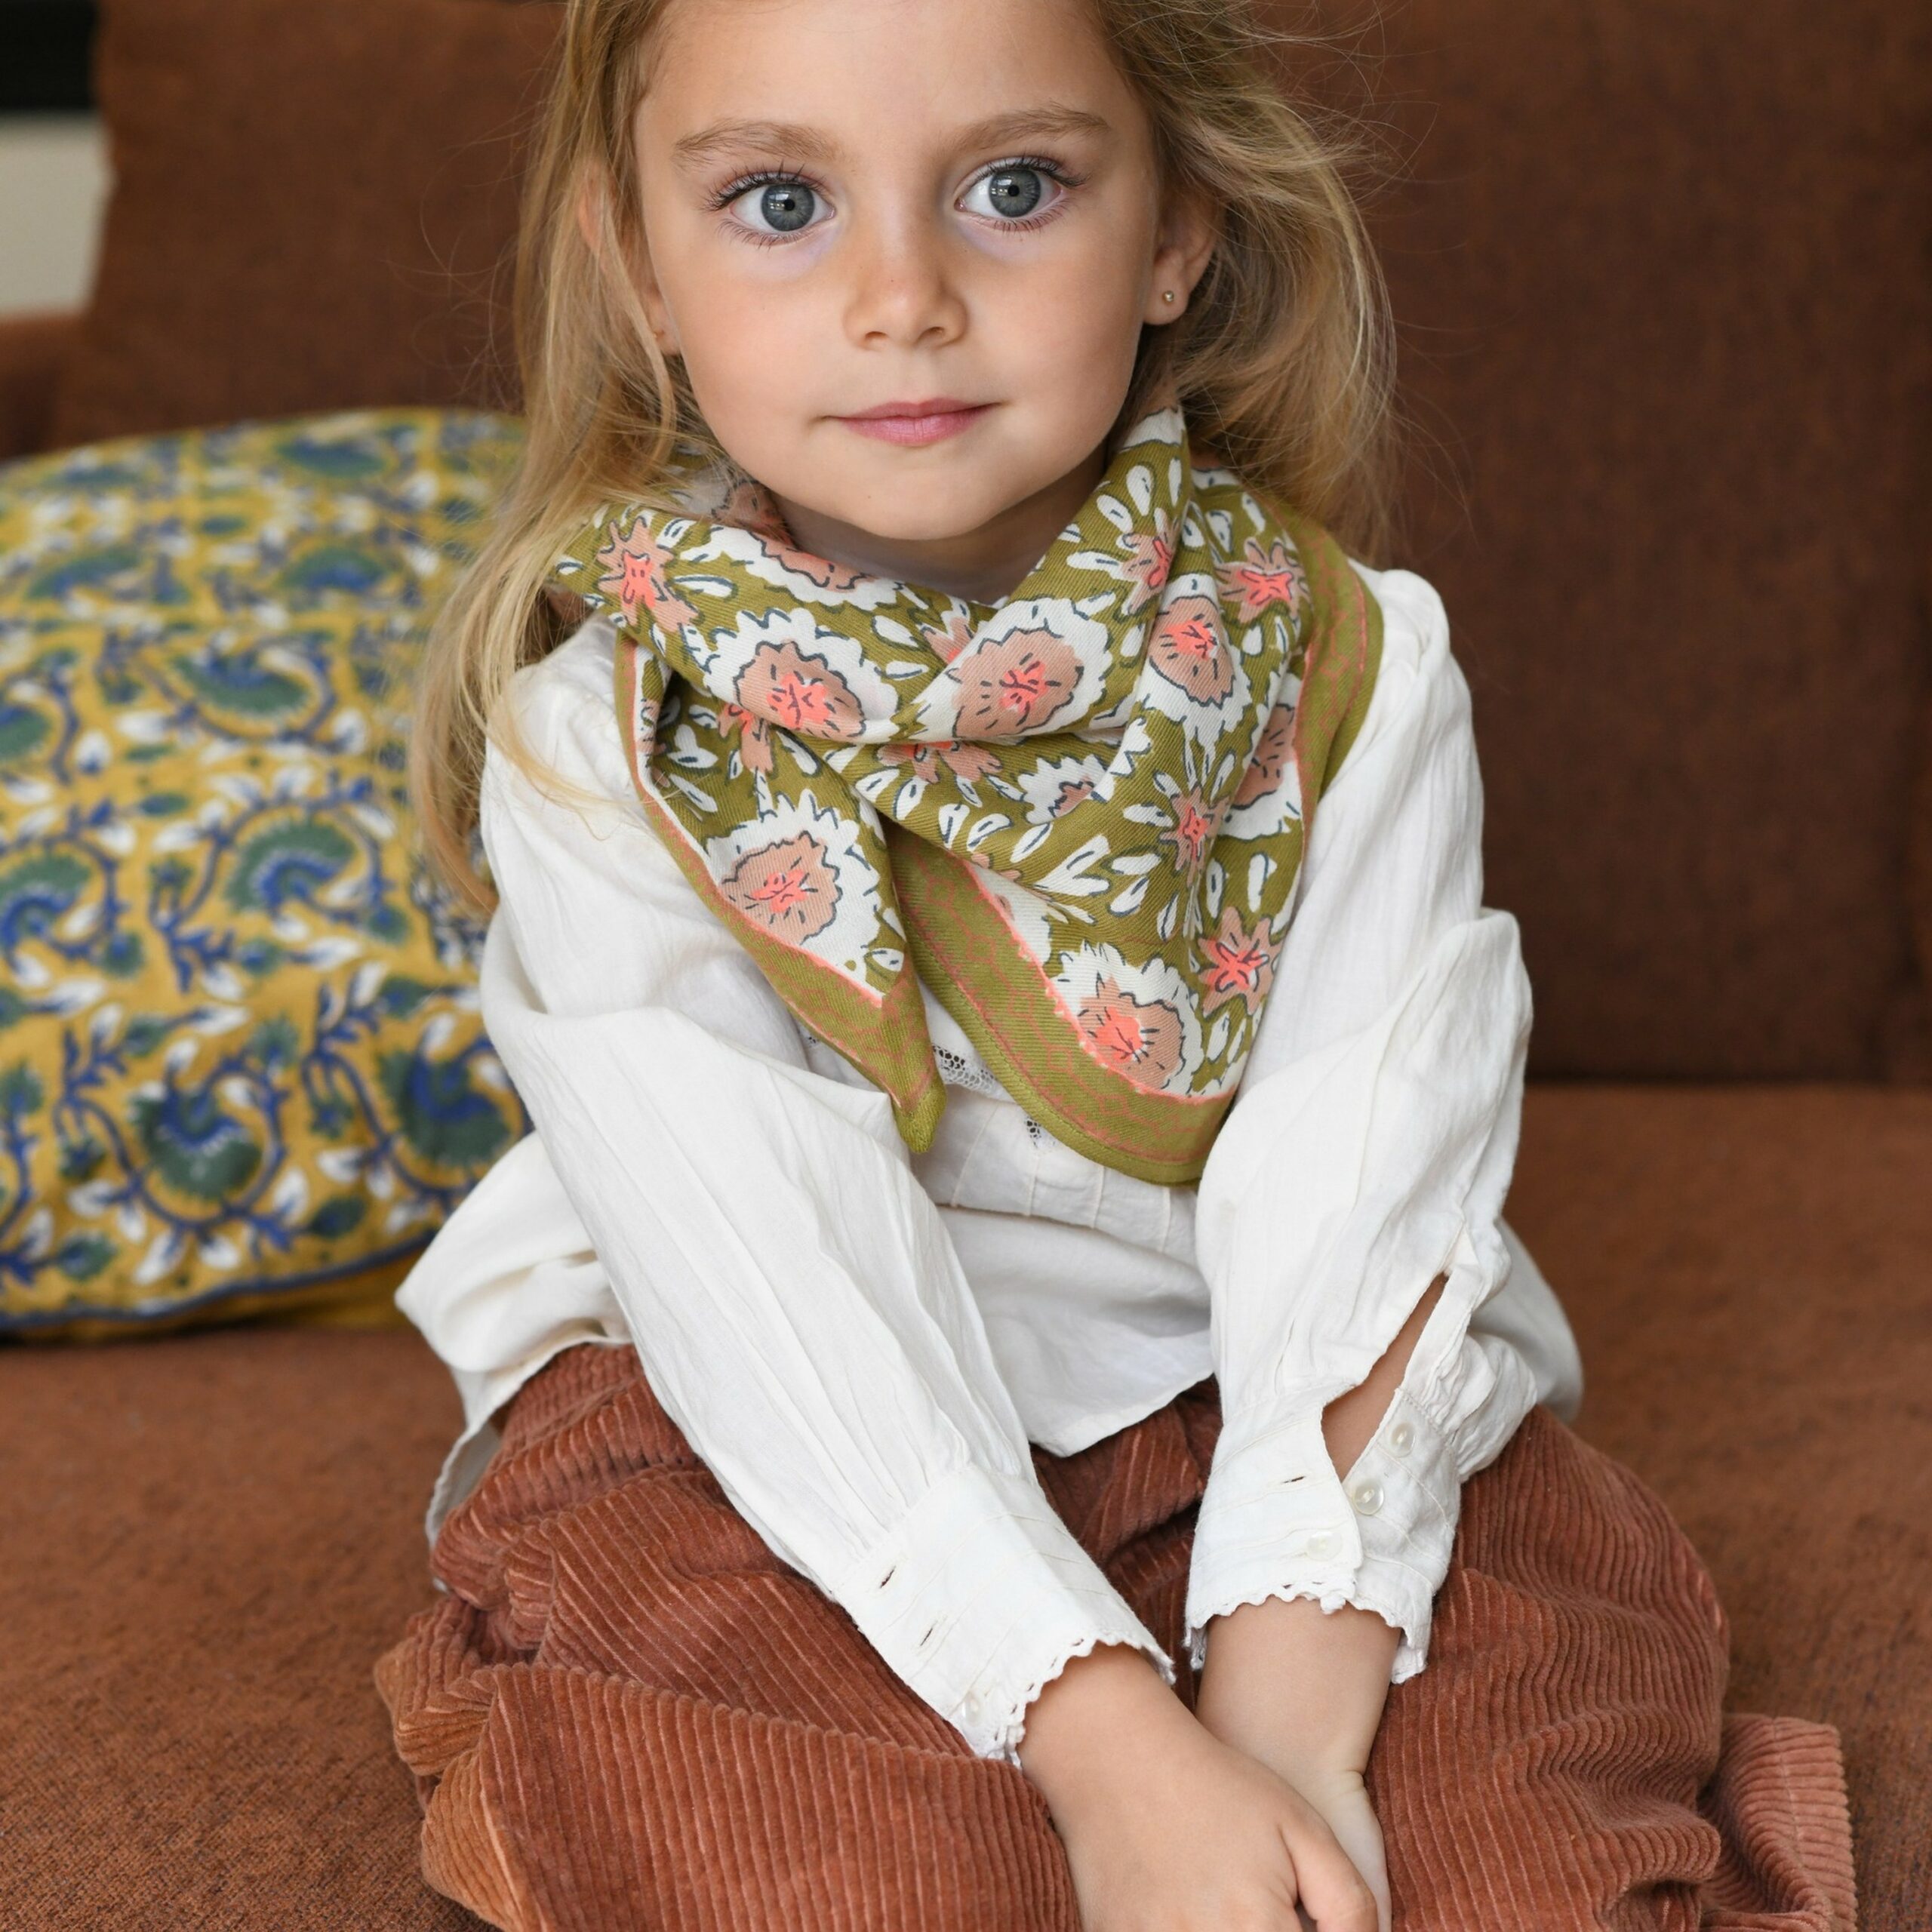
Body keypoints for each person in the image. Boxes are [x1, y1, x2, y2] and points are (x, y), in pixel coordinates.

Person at [371, 2, 1845, 1927]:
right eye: (781, 202)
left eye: (1012, 187)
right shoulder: (600, 737)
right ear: (637, 265)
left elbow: (1353, 1197)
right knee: (835, 1839)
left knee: (1499, 1799)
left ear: (1175, 227)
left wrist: (1288, 1739)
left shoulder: (1343, 661)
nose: (902, 301)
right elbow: (759, 1266)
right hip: (755, 1424)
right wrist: (1102, 1738)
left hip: (1251, 1392)